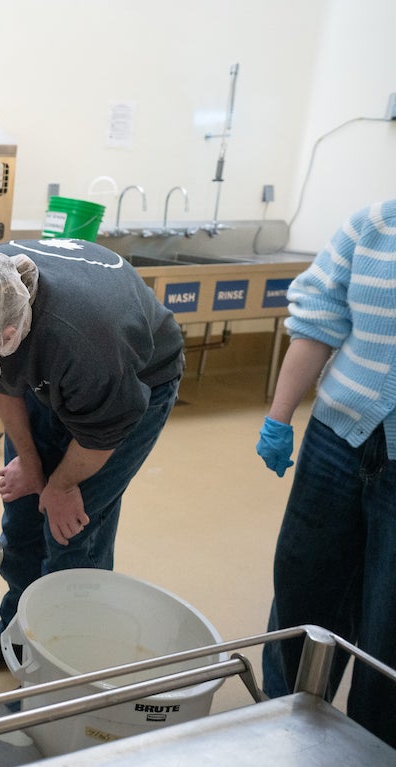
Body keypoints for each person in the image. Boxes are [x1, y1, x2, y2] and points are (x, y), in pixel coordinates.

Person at [0, 239, 185, 646]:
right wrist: (31, 462)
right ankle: (18, 635)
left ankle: (62, 652)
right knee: (21, 513)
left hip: (127, 389)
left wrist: (63, 485)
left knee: (70, 531)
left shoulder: (86, 346)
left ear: (6, 336)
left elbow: (102, 431)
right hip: (60, 366)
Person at [255, 198, 396, 747]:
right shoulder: (375, 227)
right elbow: (318, 321)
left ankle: (369, 745)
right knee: (302, 586)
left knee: (387, 628)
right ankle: (281, 721)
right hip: (337, 440)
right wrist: (279, 416)